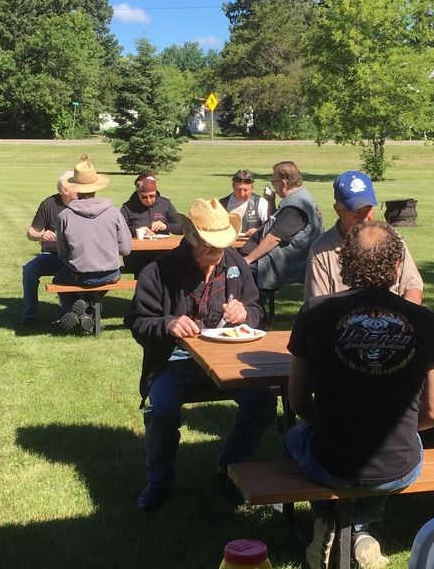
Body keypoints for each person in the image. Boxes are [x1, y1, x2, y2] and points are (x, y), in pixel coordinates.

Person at [285, 222, 434, 569]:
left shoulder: (313, 313)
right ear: (395, 267)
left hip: (330, 463)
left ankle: (330, 519)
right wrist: (390, 430)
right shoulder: (426, 321)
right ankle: (359, 528)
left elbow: (297, 402)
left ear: (346, 264)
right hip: (398, 468)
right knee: (398, 451)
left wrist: (331, 422)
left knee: (294, 435)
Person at [125, 198, 277, 513]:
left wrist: (244, 313)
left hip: (228, 356)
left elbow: (256, 310)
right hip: (177, 359)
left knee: (263, 402)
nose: (217, 255)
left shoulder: (234, 262)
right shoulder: (159, 270)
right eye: (210, 247)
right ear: (191, 238)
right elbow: (138, 322)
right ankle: (159, 482)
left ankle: (230, 470)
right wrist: (168, 324)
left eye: (221, 246)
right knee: (162, 410)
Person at [305, 170, 423, 303]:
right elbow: (318, 306)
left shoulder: (389, 237)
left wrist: (404, 314)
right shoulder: (321, 249)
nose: (364, 218)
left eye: (368, 208)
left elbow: (413, 285)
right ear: (338, 210)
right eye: (356, 211)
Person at [53, 156, 131, 333]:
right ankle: (87, 310)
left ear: (76, 189)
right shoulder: (113, 212)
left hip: (79, 275)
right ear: (96, 187)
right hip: (111, 274)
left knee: (58, 278)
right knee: (100, 283)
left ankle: (74, 310)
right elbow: (126, 249)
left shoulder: (64, 216)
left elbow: (63, 253)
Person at [240, 160, 323, 290]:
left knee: (234, 272)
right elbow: (275, 223)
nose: (273, 186)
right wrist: (271, 202)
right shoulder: (298, 198)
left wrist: (248, 260)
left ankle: (252, 307)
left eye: (274, 182)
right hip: (274, 258)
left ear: (283, 183)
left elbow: (274, 238)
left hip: (282, 263)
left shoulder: (295, 206)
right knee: (232, 260)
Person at [20, 170, 76, 325]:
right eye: (76, 186)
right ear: (65, 190)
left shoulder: (83, 204)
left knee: (63, 275)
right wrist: (41, 236)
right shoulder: (49, 204)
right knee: (29, 270)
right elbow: (31, 233)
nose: (80, 190)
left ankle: (67, 313)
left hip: (75, 257)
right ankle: (29, 315)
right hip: (52, 255)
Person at [120, 172, 183, 276]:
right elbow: (120, 230)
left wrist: (166, 226)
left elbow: (181, 227)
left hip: (162, 254)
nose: (149, 200)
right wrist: (137, 230)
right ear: (138, 194)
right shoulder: (128, 207)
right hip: (137, 256)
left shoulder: (165, 204)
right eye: (144, 197)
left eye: (152, 196)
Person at [219, 169, 270, 237]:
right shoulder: (223, 203)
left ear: (252, 188)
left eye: (246, 190)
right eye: (238, 190)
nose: (242, 194)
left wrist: (258, 230)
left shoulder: (261, 203)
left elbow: (269, 227)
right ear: (233, 187)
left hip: (252, 243)